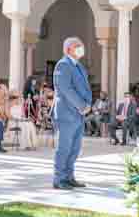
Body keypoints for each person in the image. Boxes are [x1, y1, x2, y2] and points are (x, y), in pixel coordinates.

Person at [52, 37, 92, 190]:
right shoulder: (63, 65)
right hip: (66, 113)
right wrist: (82, 105)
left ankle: (69, 177)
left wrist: (87, 105)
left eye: (81, 46)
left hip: (78, 114)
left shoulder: (79, 66)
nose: (81, 48)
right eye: (77, 46)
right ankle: (59, 179)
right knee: (64, 147)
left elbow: (84, 88)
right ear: (68, 49)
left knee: (74, 148)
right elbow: (66, 89)